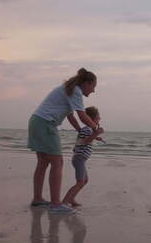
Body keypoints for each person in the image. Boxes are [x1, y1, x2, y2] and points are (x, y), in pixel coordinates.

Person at [28, 68, 98, 214]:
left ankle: (37, 199)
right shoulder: (76, 91)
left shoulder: (69, 89)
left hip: (37, 121)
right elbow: (81, 114)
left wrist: (80, 130)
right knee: (57, 162)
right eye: (93, 86)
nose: (93, 91)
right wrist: (95, 127)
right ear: (87, 83)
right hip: (46, 123)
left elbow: (71, 116)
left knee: (42, 163)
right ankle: (55, 205)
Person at [62, 106, 103, 207]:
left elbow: (85, 139)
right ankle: (65, 202)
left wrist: (96, 136)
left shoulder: (88, 130)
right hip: (79, 158)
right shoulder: (87, 130)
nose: (100, 119)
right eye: (98, 118)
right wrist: (96, 133)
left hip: (80, 159)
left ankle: (71, 199)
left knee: (84, 180)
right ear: (91, 119)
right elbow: (85, 141)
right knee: (80, 182)